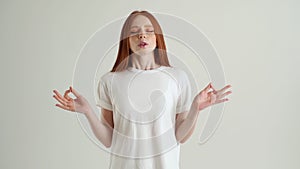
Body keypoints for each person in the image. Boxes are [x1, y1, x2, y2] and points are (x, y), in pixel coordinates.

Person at [53, 10, 232, 169]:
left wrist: (195, 109)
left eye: (148, 31)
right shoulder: (110, 81)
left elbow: (180, 136)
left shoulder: (177, 77)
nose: (142, 36)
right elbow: (109, 140)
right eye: (134, 32)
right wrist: (87, 111)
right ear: (126, 41)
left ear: (157, 37)